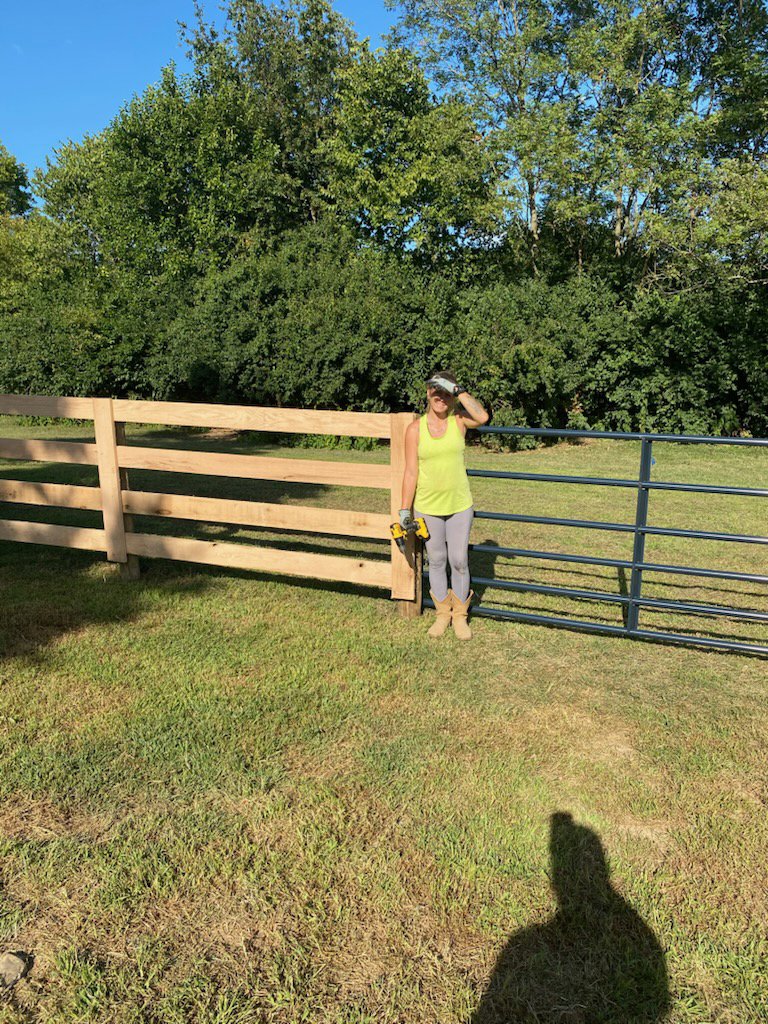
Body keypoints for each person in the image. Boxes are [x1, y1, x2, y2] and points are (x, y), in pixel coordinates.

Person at [399, 371, 489, 639]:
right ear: (427, 393)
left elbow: (482, 417)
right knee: (437, 560)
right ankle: (442, 614)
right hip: (428, 507)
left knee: (459, 561)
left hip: (459, 505)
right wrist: (404, 511)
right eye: (436, 391)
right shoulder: (415, 429)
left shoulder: (459, 420)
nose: (441, 397)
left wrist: (459, 390)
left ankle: (460, 616)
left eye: (446, 392)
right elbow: (410, 472)